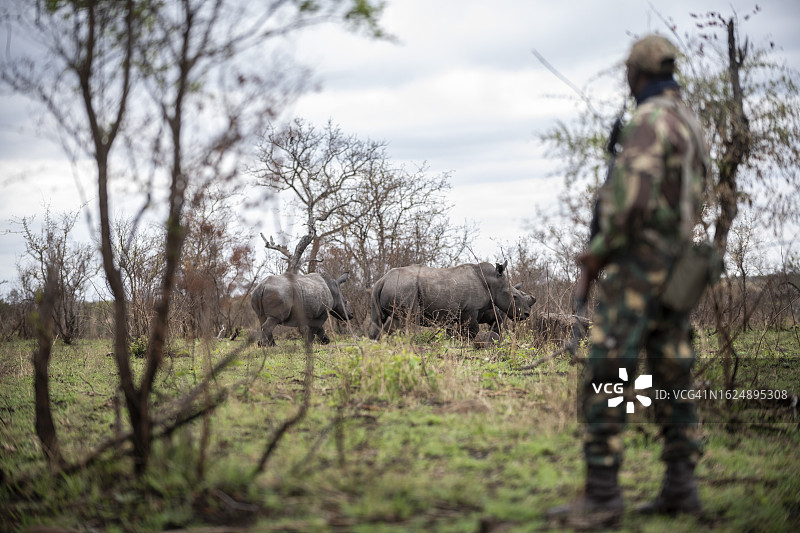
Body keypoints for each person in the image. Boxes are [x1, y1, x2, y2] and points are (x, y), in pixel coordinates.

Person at [547, 34, 710, 529]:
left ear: (637, 73)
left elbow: (634, 200)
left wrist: (599, 251)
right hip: (679, 265)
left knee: (608, 370)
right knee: (672, 369)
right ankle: (681, 487)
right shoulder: (690, 123)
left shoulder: (648, 120)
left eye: (628, 73)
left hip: (639, 267)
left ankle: (602, 495)